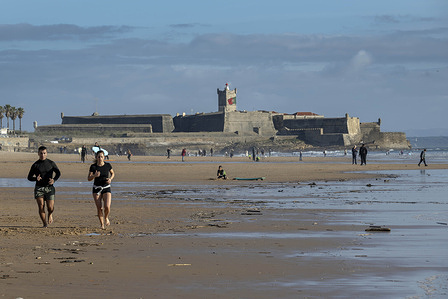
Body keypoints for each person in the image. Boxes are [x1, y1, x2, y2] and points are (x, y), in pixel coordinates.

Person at [27, 146, 61, 227]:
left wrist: (54, 180)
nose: (43, 155)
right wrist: (36, 178)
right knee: (41, 206)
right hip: (39, 188)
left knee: (50, 208)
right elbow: (29, 177)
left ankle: (50, 214)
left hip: (49, 188)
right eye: (41, 153)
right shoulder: (35, 165)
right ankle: (44, 223)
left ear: (47, 153)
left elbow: (58, 173)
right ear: (38, 154)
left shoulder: (51, 163)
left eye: (44, 153)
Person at [88, 150, 115, 229]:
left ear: (104, 157)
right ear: (96, 157)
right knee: (99, 208)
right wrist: (94, 176)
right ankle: (102, 224)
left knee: (107, 206)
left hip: (106, 188)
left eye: (101, 157)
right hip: (96, 189)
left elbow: (113, 173)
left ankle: (106, 217)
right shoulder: (93, 167)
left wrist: (110, 179)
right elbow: (89, 178)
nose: (100, 158)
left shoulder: (107, 165)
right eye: (98, 157)